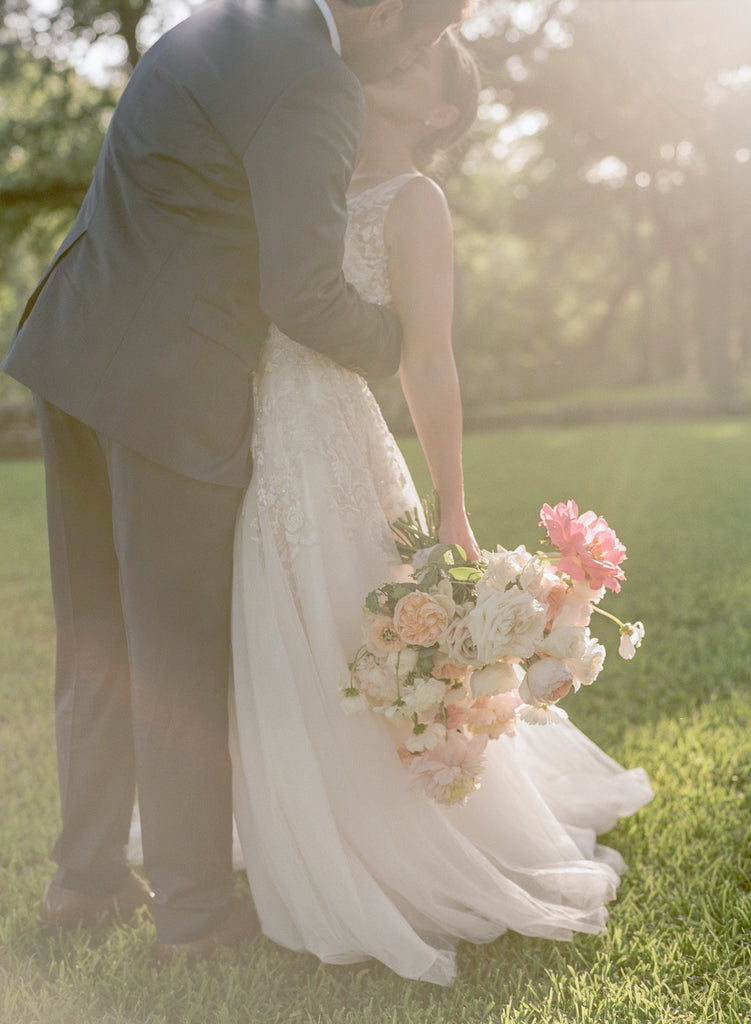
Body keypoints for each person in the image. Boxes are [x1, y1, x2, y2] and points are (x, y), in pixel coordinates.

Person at [2, 0, 470, 962]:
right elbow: (300, 292)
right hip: (168, 391)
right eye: (422, 37)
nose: (419, 55)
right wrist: (393, 340)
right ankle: (193, 912)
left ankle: (82, 880)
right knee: (175, 653)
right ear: (383, 11)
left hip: (74, 348)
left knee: (98, 635)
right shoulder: (316, 79)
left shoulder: (220, 25)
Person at [229, 29, 653, 985]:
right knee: (275, 633)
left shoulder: (415, 202)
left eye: (422, 56)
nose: (398, 50)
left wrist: (452, 505)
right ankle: (300, 829)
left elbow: (427, 356)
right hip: (247, 432)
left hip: (331, 439)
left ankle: (393, 844)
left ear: (441, 112)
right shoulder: (308, 167)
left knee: (356, 633)